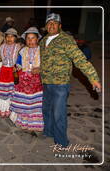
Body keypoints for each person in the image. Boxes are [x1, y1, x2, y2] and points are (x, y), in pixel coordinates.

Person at [40, 13, 101, 147]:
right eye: (49, 23)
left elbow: (79, 59)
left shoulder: (66, 40)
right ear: (46, 26)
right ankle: (48, 132)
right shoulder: (43, 41)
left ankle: (61, 142)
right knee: (46, 110)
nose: (51, 25)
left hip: (60, 84)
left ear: (60, 26)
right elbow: (43, 61)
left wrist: (93, 77)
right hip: (46, 83)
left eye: (55, 23)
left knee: (58, 114)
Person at [10, 27, 44, 133]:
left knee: (34, 102)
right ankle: (23, 122)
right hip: (24, 81)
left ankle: (35, 123)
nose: (30, 41)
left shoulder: (43, 51)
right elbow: (19, 63)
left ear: (37, 39)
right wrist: (17, 67)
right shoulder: (23, 51)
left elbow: (48, 65)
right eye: (28, 38)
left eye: (32, 38)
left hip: (37, 82)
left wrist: (40, 68)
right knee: (24, 102)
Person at [0, 28, 21, 117]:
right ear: (5, 38)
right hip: (4, 70)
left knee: (11, 90)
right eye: (8, 36)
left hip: (13, 71)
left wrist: (17, 66)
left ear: (15, 38)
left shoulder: (18, 47)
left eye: (12, 37)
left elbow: (20, 59)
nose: (9, 38)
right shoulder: (2, 47)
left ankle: (10, 109)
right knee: (3, 90)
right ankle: (2, 109)